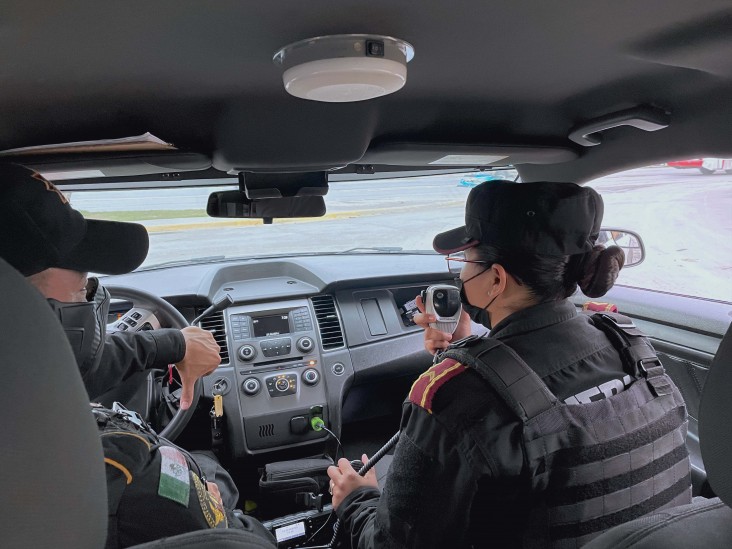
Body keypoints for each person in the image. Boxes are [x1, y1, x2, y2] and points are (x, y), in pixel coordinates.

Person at [328, 180, 691, 548]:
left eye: (467, 261)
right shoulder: (630, 344)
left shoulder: (452, 395)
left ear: (496, 279)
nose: (462, 273)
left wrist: (357, 499)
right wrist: (472, 349)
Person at [0, 163, 239, 510]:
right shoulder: (119, 469)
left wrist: (174, 343)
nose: (91, 298)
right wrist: (205, 483)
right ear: (17, 310)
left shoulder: (21, 386)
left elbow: (80, 366)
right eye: (83, 290)